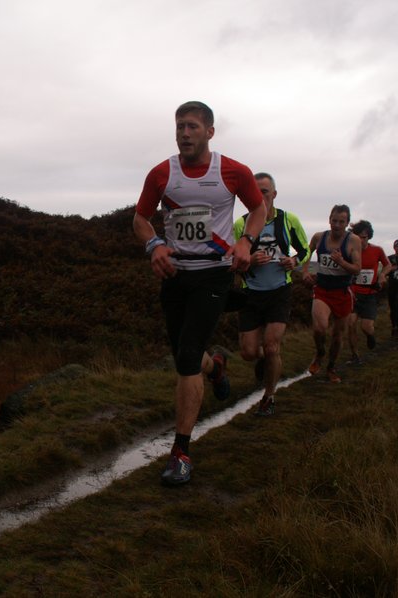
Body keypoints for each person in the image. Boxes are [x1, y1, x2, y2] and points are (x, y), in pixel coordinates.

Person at [133, 101, 266, 486]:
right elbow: (140, 218)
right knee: (184, 354)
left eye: (192, 126)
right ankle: (216, 366)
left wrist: (246, 241)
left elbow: (258, 210)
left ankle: (180, 452)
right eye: (180, 126)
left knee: (188, 356)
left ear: (210, 132)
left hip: (214, 275)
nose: (184, 133)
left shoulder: (233, 171)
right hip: (175, 275)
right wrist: (154, 246)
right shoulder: (162, 174)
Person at [233, 172, 309, 416]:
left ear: (274, 194)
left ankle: (269, 397)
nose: (259, 196)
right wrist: (249, 260)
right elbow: (232, 261)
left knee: (272, 346)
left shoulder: (288, 220)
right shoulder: (240, 225)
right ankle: (264, 359)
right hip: (251, 294)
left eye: (264, 192)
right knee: (248, 352)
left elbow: (305, 250)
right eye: (255, 192)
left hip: (279, 291)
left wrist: (294, 261)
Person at [300, 205, 362, 383]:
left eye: (341, 222)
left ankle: (331, 367)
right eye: (334, 221)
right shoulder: (319, 237)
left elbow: (357, 269)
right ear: (329, 220)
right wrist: (305, 271)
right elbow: (307, 253)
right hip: (322, 289)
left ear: (347, 223)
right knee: (319, 328)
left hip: (342, 292)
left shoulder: (353, 241)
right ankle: (320, 353)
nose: (337, 225)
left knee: (337, 335)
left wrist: (341, 262)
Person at [347, 220, 389, 363]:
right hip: (353, 293)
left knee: (366, 326)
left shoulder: (377, 250)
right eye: (358, 237)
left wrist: (382, 275)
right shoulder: (350, 251)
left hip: (369, 294)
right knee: (351, 324)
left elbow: (388, 265)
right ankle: (355, 355)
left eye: (364, 237)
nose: (361, 240)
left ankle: (370, 336)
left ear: (369, 236)